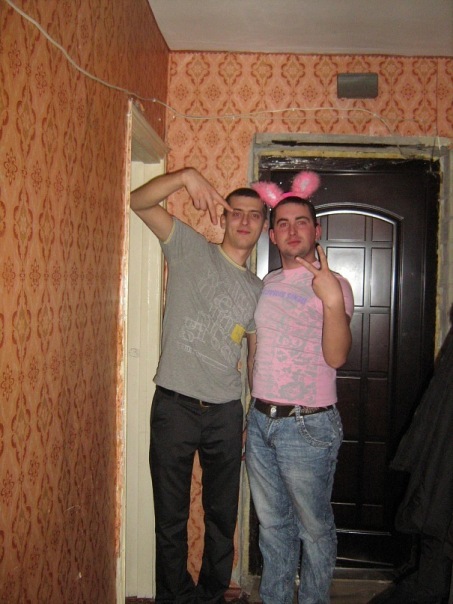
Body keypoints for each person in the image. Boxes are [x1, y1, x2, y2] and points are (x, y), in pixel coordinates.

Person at [130, 167, 268, 604]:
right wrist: (186, 177)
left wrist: (251, 414)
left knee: (222, 516)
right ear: (223, 217)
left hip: (226, 411)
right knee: (170, 517)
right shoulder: (189, 247)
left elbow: (255, 358)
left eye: (254, 215)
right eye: (236, 212)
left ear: (263, 226)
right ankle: (174, 597)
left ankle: (211, 595)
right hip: (175, 405)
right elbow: (138, 201)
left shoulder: (259, 290)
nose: (244, 220)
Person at [245, 174, 354, 604]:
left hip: (308, 426)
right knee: (273, 528)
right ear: (272, 235)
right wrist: (250, 412)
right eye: (283, 223)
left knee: (314, 529)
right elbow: (257, 350)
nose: (292, 230)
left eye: (301, 222)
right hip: (261, 421)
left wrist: (331, 300)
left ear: (317, 231)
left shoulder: (334, 284)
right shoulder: (268, 283)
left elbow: (337, 357)